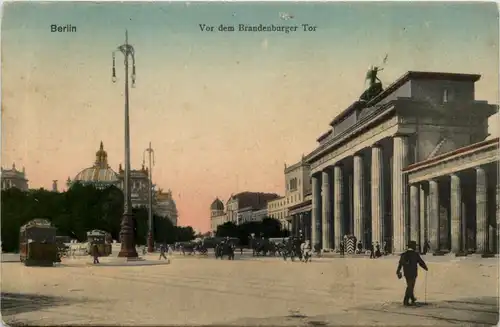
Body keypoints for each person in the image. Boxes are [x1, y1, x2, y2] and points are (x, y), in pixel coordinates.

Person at [396, 241, 428, 306]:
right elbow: (420, 262)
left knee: (410, 285)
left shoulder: (404, 254)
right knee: (410, 286)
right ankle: (406, 301)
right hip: (413, 273)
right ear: (413, 247)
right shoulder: (415, 254)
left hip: (406, 273)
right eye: (415, 246)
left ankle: (412, 298)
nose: (415, 247)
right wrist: (425, 268)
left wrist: (398, 271)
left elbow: (400, 264)